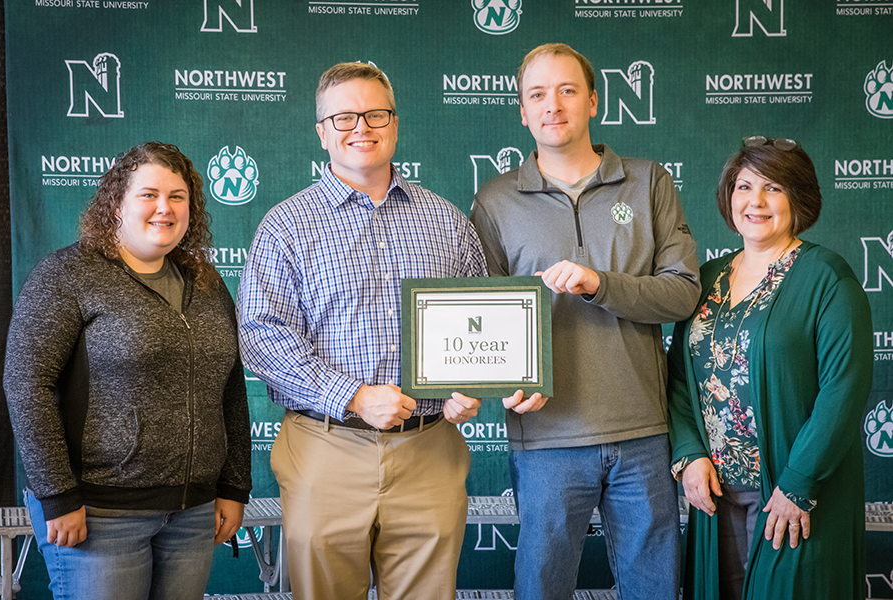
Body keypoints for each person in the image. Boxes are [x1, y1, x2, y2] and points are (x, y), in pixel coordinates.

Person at [236, 62, 488, 600]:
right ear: (322, 131)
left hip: (430, 449)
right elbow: (262, 336)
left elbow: (479, 320)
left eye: (376, 114)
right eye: (344, 116)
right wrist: (351, 395)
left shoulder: (447, 222)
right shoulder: (286, 225)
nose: (362, 127)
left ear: (395, 124)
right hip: (324, 448)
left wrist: (469, 390)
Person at [470, 43, 700, 600]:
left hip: (643, 430)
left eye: (568, 90)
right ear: (522, 111)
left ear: (594, 100)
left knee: (654, 589)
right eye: (538, 94)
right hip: (545, 438)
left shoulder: (648, 183)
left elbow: (683, 293)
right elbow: (484, 321)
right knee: (541, 589)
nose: (554, 104)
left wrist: (600, 284)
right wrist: (504, 385)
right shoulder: (495, 200)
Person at [3, 142, 252, 600]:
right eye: (148, 194)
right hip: (99, 514)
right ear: (116, 203)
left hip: (193, 513)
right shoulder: (67, 274)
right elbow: (26, 385)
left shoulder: (207, 281)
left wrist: (234, 485)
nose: (165, 208)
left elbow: (231, 387)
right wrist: (58, 495)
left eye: (178, 197)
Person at [666, 137, 872, 600]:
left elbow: (844, 388)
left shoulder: (826, 277)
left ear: (797, 199)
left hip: (791, 491)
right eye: (744, 186)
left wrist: (799, 483)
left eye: (773, 188)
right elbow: (678, 376)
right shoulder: (707, 278)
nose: (755, 201)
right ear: (728, 197)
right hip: (716, 494)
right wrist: (688, 455)